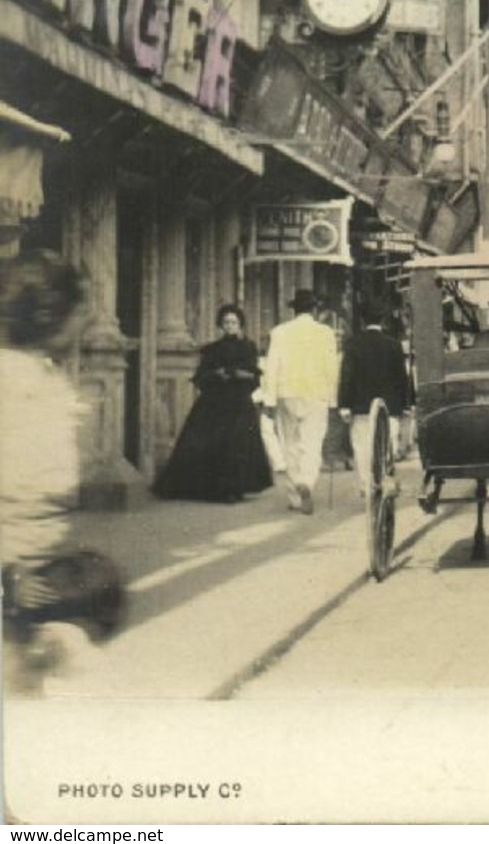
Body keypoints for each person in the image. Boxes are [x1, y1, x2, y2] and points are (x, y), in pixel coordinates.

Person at [0, 251, 125, 691]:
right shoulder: (11, 384)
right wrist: (8, 580)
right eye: (81, 310)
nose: (88, 322)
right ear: (51, 314)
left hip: (35, 586)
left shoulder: (43, 376)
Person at [152, 303, 273, 503]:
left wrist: (240, 375)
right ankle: (217, 488)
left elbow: (254, 376)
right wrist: (216, 374)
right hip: (214, 403)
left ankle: (236, 488)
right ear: (220, 325)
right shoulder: (212, 349)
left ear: (240, 324)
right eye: (226, 322)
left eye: (234, 322)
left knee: (238, 444)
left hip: (239, 403)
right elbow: (200, 377)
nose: (230, 326)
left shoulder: (248, 347)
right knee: (216, 443)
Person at [260, 289, 340, 515]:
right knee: (312, 443)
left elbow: (272, 366)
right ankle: (306, 481)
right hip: (316, 393)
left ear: (293, 309)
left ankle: (295, 496)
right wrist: (332, 399)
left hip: (288, 393)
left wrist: (270, 398)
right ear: (314, 310)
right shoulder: (325, 333)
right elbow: (331, 368)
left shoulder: (280, 332)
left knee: (290, 444)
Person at [338, 304, 415, 497]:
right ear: (382, 321)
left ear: (363, 321)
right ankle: (384, 479)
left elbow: (346, 375)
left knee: (362, 446)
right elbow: (402, 376)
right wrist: (406, 403)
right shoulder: (394, 345)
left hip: (361, 406)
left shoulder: (353, 344)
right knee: (387, 443)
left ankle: (366, 485)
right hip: (389, 406)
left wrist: (344, 405)